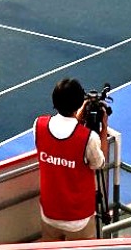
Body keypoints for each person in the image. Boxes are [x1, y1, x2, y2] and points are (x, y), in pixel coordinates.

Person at [34, 78, 108, 241]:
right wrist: (104, 127)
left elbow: (59, 145)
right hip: (78, 218)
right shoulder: (88, 137)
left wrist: (77, 119)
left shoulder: (39, 126)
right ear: (79, 103)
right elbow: (100, 163)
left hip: (49, 213)